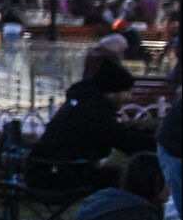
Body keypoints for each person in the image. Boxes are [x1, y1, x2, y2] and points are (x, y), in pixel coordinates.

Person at [29, 52, 145, 186]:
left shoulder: (83, 103)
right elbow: (119, 138)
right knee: (132, 178)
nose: (129, 98)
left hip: (53, 171)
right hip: (61, 176)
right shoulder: (92, 109)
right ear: (111, 92)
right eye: (126, 92)